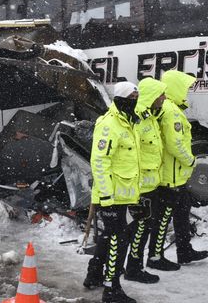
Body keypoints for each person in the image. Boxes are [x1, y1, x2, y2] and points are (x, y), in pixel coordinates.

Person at [83, 81, 142, 303]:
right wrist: (106, 197)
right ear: (122, 99)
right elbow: (99, 161)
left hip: (125, 194)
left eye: (138, 96)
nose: (136, 100)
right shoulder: (110, 125)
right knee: (119, 240)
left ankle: (94, 274)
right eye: (133, 97)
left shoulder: (129, 122)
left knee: (110, 238)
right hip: (111, 196)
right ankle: (112, 288)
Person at [145, 69, 208, 271]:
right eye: (186, 88)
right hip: (169, 178)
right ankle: (155, 257)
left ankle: (184, 250)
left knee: (182, 213)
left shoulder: (171, 108)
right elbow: (174, 144)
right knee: (163, 218)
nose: (188, 91)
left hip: (176, 176)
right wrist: (190, 160)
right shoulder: (170, 110)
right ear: (176, 87)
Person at [123, 78, 168, 284]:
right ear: (151, 96)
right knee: (139, 229)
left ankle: (135, 266)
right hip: (141, 188)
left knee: (144, 228)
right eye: (161, 94)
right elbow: (133, 155)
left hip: (151, 185)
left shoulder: (150, 117)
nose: (164, 98)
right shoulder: (138, 120)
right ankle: (133, 268)